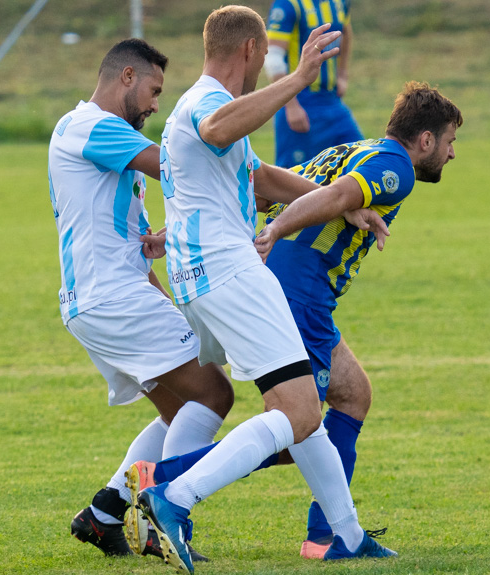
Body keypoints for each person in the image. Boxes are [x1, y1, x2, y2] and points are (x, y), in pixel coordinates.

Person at [130, 81, 464, 562]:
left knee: (351, 396)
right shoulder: (395, 167)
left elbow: (260, 190)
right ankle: (163, 480)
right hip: (299, 294)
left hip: (300, 295)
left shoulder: (353, 148)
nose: (452, 154)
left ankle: (335, 536)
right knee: (295, 426)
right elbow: (334, 198)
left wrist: (180, 233)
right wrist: (279, 230)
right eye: (450, 141)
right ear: (426, 140)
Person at [130, 7, 395, 574]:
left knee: (299, 411)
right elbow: (218, 128)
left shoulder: (206, 107)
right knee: (298, 410)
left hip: (206, 278)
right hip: (230, 271)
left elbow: (262, 178)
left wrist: (347, 207)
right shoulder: (205, 103)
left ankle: (345, 534)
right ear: (250, 50)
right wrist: (296, 80)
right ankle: (172, 497)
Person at [46, 38, 234, 561]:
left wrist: (160, 247)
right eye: (154, 91)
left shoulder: (95, 134)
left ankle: (106, 513)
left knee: (181, 412)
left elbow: (119, 231)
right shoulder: (95, 126)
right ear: (126, 77)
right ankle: (161, 518)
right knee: (214, 395)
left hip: (107, 296)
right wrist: (247, 178)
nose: (155, 105)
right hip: (111, 298)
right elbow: (178, 170)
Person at [264, 0, 363, 168]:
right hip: (300, 102)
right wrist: (291, 105)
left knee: (364, 162)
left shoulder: (339, 2)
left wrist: (343, 74)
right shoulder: (288, 5)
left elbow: (345, 32)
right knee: (291, 180)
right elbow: (273, 57)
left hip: (332, 102)